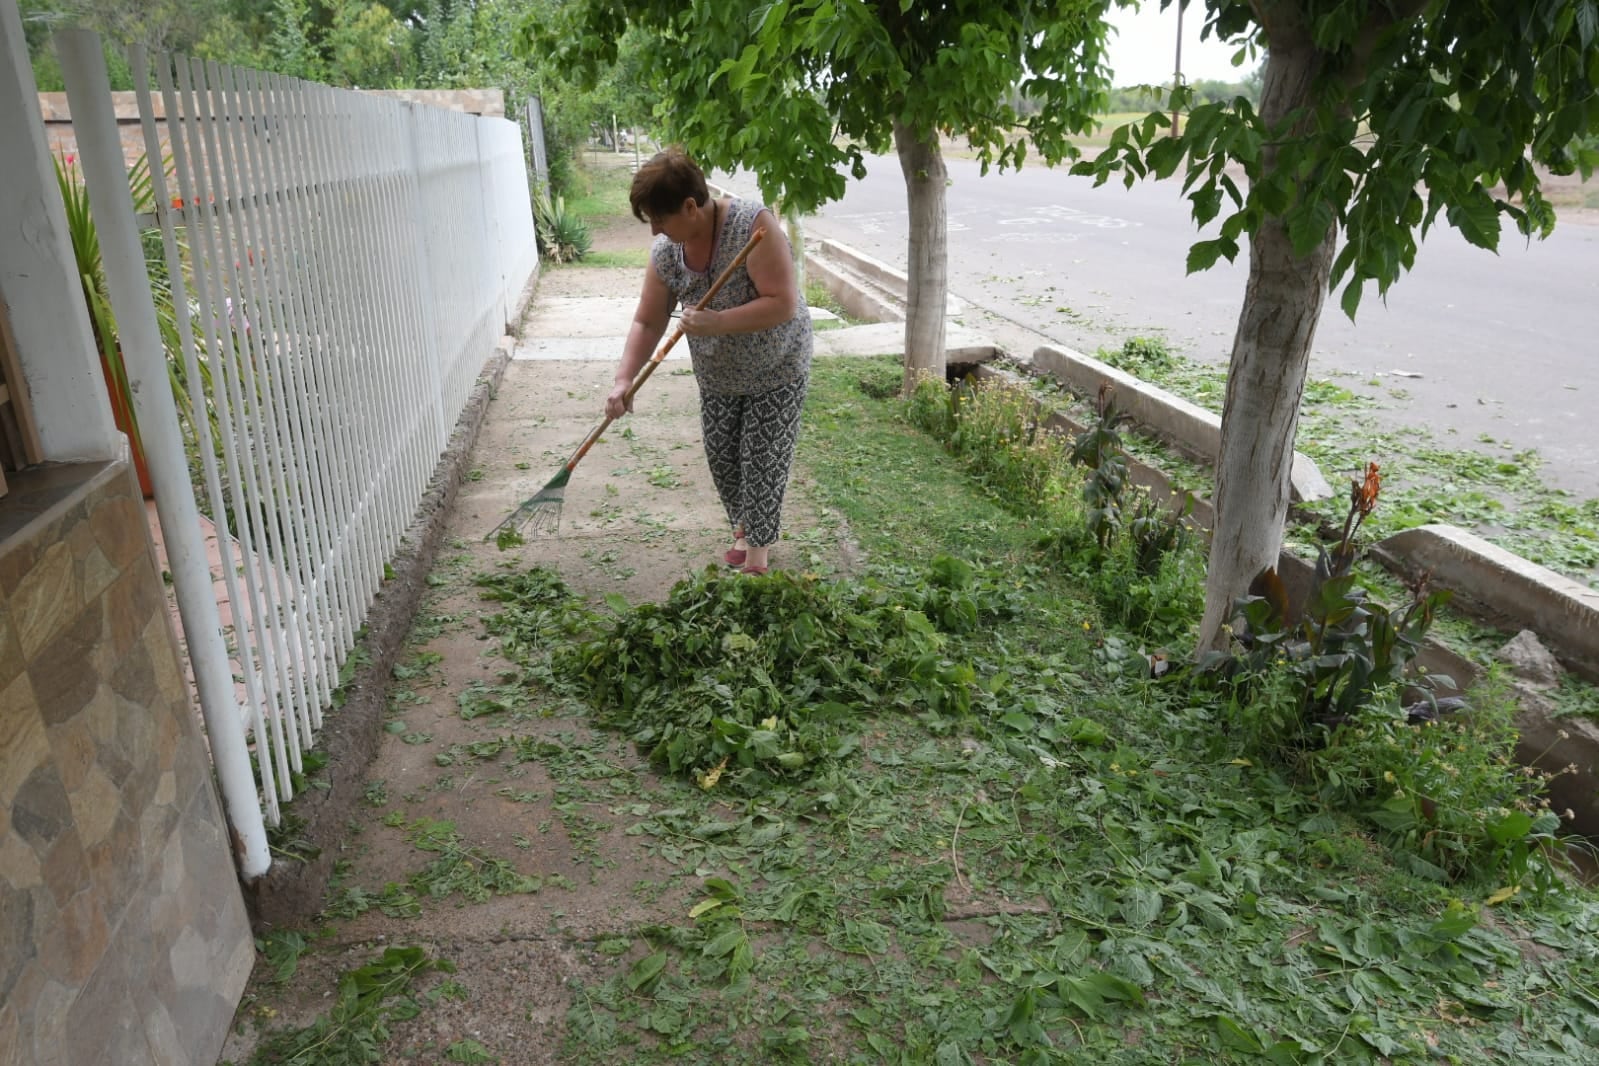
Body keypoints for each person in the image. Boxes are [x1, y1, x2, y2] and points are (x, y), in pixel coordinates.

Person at [606, 148, 813, 576]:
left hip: (777, 365)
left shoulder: (752, 227)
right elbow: (648, 321)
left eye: (660, 220)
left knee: (761, 457)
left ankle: (757, 559)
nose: (656, 232)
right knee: (723, 457)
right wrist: (623, 379)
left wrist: (717, 321)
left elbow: (782, 303)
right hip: (718, 375)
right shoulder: (668, 253)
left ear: (689, 206)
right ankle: (744, 528)